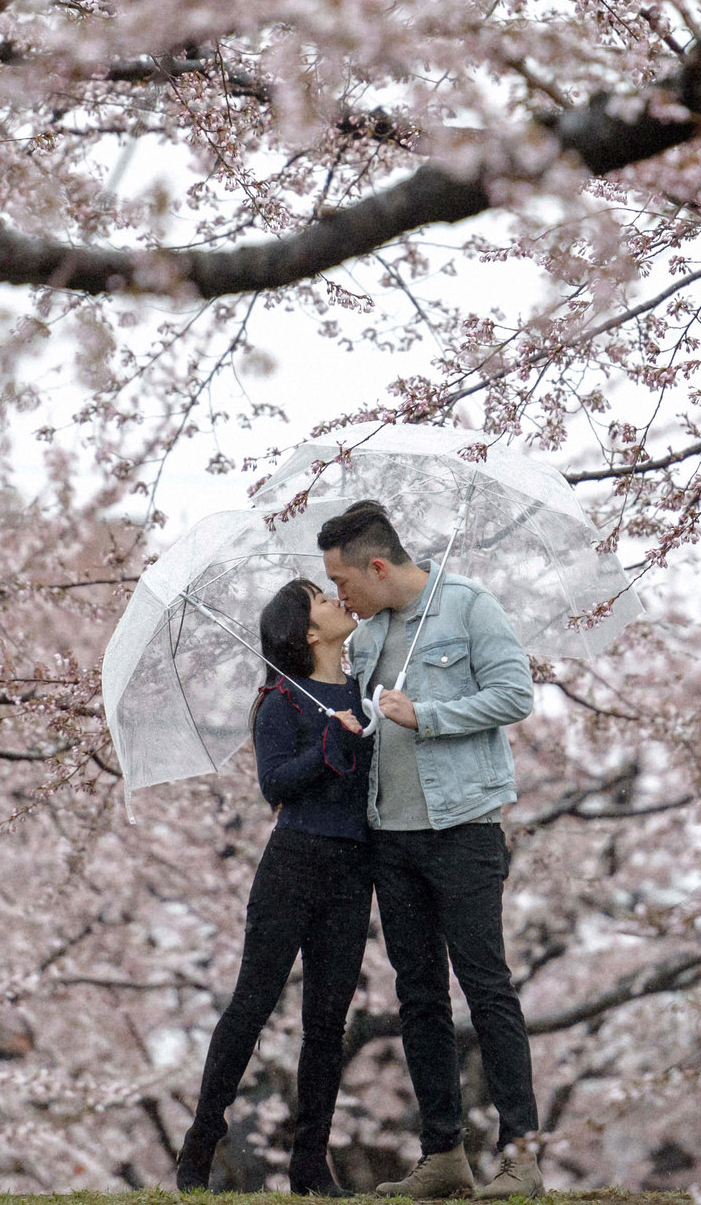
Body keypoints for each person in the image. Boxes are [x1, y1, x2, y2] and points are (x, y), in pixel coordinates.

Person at [318, 499, 544, 1200]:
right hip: (393, 838)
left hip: (464, 830)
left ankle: (521, 1157)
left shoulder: (471, 608)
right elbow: (376, 724)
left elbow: (516, 695)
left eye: (343, 582)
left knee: (487, 987)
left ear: (377, 566)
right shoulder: (367, 637)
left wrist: (430, 715)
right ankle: (443, 1155)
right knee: (418, 996)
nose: (338, 597)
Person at [177, 577, 374, 1197]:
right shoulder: (280, 701)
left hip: (353, 867)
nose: (337, 600)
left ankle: (310, 1161)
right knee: (253, 1002)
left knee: (328, 1020)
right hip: (293, 862)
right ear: (309, 632)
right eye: (321, 599)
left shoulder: (368, 692)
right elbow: (275, 785)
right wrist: (330, 743)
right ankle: (203, 1136)